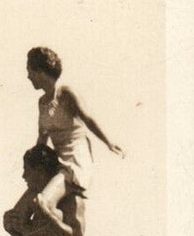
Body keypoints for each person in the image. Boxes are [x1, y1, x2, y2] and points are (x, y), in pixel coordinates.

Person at [25, 46, 125, 216]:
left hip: (75, 162)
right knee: (15, 219)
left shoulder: (65, 93)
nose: (28, 76)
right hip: (57, 162)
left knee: (42, 204)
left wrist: (109, 142)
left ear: (40, 72)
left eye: (30, 71)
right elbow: (42, 139)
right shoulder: (42, 102)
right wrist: (33, 166)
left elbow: (88, 118)